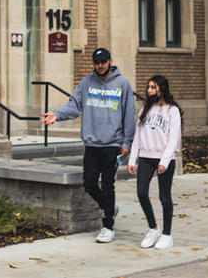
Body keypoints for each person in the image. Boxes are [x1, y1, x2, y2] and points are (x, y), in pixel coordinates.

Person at [41, 47, 136, 243]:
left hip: (113, 144)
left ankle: (108, 226)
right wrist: (57, 114)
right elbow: (74, 105)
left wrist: (127, 142)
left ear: (110, 61)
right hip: (92, 143)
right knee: (90, 183)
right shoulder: (86, 83)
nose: (100, 66)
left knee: (108, 186)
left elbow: (129, 115)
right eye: (96, 63)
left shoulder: (122, 84)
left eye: (103, 62)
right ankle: (109, 207)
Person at [127, 74, 181, 249]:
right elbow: (137, 137)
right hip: (145, 157)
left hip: (164, 159)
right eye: (148, 87)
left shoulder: (172, 110)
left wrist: (164, 161)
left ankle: (167, 234)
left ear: (162, 89)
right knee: (141, 193)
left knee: (164, 197)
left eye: (153, 87)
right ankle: (153, 228)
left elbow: (174, 138)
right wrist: (132, 159)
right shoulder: (144, 110)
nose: (149, 91)